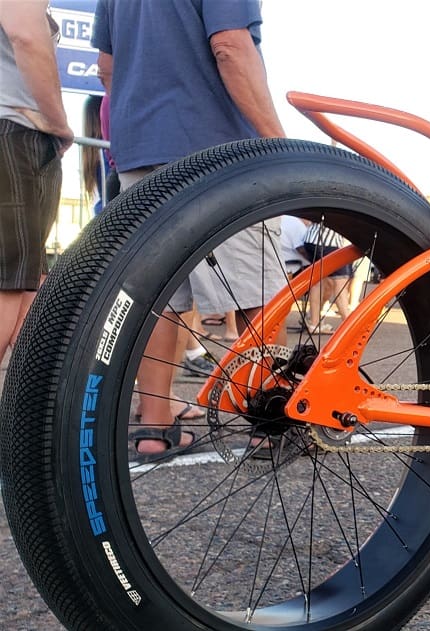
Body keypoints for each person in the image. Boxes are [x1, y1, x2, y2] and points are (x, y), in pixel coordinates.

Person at [93, 0, 287, 462]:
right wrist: (281, 145)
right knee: (255, 290)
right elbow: (230, 45)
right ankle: (267, 424)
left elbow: (106, 67)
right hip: (216, 149)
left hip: (140, 151)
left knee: (160, 300)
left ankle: (154, 429)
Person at [0, 2, 73, 366]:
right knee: (9, 285)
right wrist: (58, 122)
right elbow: (26, 34)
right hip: (13, 130)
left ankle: (24, 416)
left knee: (26, 283)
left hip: (22, 133)